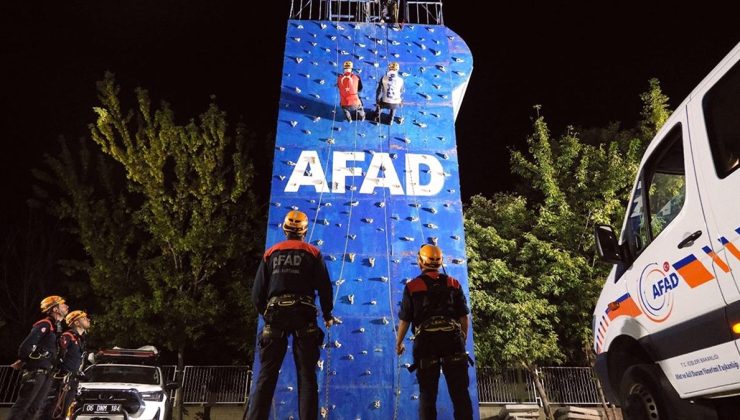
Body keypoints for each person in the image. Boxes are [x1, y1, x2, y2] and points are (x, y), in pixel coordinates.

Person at [247, 210, 334, 420]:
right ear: (304, 231)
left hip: (275, 314)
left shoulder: (271, 253)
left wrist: (266, 314)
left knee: (266, 376)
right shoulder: (313, 253)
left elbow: (257, 293)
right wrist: (328, 314)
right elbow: (324, 287)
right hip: (304, 315)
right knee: (307, 377)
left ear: (285, 229)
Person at [396, 245, 473, 420]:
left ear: (420, 261)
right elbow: (463, 317)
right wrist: (462, 338)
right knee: (460, 395)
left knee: (427, 396)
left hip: (426, 344)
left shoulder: (412, 286)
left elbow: (405, 320)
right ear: (440, 261)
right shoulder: (453, 283)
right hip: (453, 341)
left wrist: (399, 343)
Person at [8, 295, 69, 420]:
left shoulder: (57, 328)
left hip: (47, 374)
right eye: (63, 304)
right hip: (37, 373)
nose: (66, 306)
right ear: (55, 309)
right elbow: (26, 346)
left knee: (35, 408)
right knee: (23, 406)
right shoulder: (45, 324)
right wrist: (25, 359)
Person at [38, 310, 89, 419]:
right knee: (52, 410)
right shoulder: (67, 336)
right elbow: (57, 355)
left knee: (64, 412)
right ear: (76, 323)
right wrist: (62, 371)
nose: (88, 320)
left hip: (72, 380)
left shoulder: (80, 339)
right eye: (84, 318)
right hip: (61, 380)